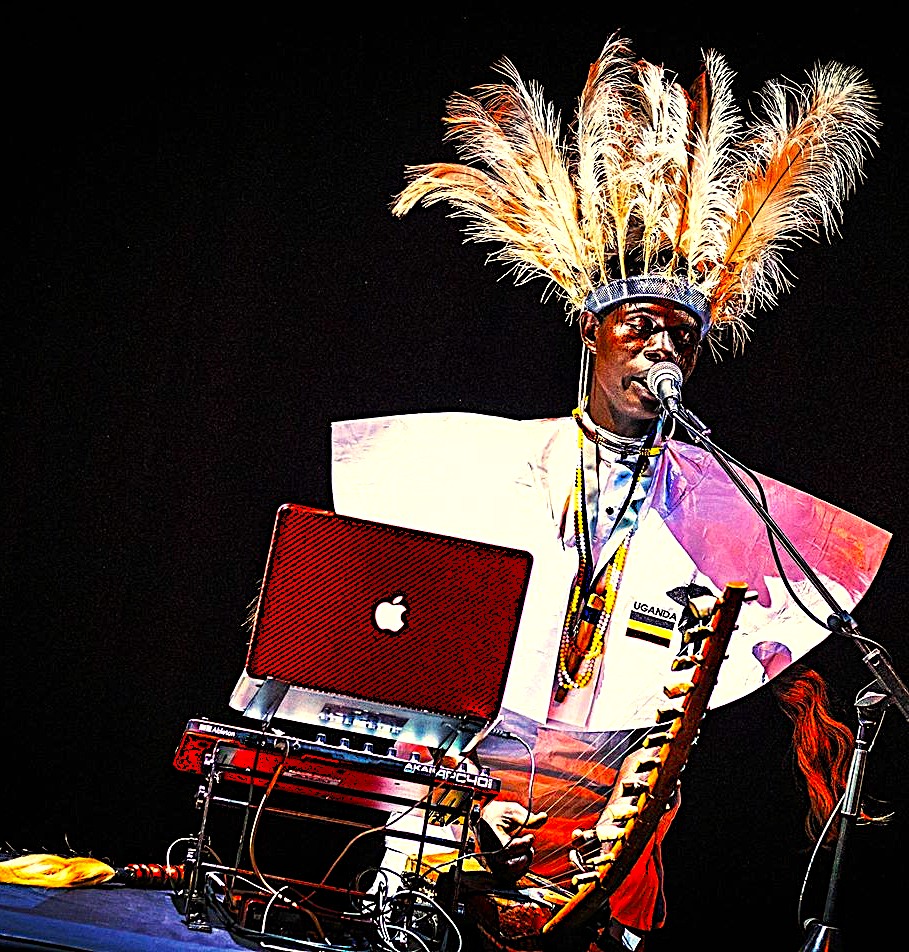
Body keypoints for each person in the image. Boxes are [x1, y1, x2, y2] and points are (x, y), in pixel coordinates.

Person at [329, 34, 890, 951]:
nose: (662, 347)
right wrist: (461, 813)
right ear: (593, 331)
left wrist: (620, 819)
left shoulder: (720, 512)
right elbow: (400, 663)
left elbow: (674, 714)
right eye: (640, 325)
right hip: (453, 814)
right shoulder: (474, 465)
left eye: (682, 335)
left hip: (602, 847)